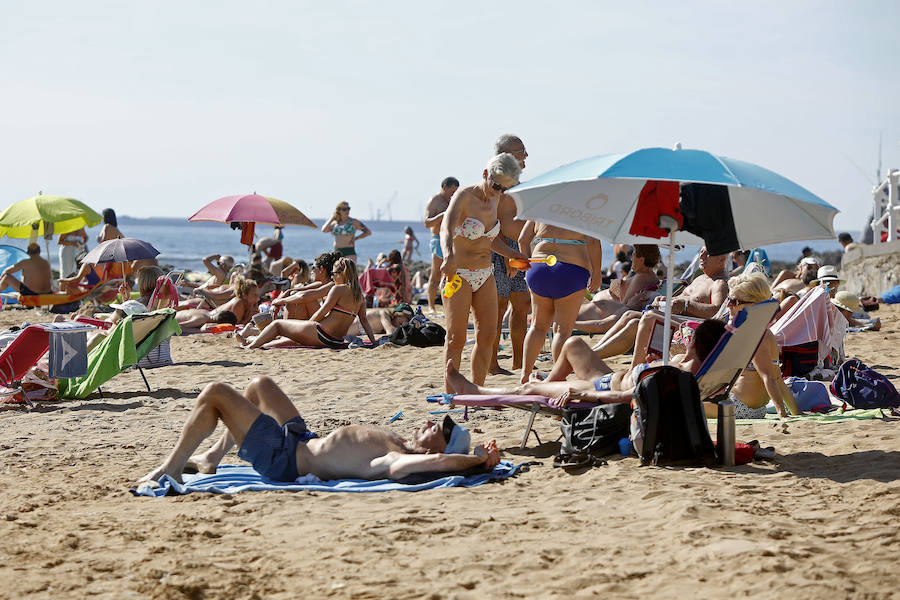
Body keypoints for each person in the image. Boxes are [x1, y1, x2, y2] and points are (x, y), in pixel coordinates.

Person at [137, 375, 499, 486]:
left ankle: (171, 468)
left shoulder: (396, 459)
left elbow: (439, 463)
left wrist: (474, 461)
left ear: (438, 448)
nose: (436, 422)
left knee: (215, 393)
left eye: (444, 429)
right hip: (302, 438)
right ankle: (212, 457)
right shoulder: (398, 440)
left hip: (286, 459)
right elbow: (439, 454)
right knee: (259, 386)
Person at [445, 318, 727, 408]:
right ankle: (546, 385)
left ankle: (473, 393)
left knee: (529, 390)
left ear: (694, 343)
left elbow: (626, 397)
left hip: (602, 388)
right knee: (574, 344)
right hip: (611, 375)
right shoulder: (686, 366)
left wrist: (586, 395)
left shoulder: (677, 374)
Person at [440, 154, 528, 392]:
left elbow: (491, 239)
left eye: (504, 188)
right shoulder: (465, 197)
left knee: (488, 336)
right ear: (485, 174)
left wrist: (511, 253)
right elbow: (445, 227)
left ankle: (476, 393)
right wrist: (447, 255)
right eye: (496, 185)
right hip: (458, 273)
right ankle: (451, 395)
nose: (498, 191)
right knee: (456, 338)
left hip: (484, 272)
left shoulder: (496, 201)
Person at [589, 247, 729, 360]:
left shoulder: (719, 283)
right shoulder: (700, 279)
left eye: (707, 254)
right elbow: (680, 299)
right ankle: (593, 352)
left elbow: (717, 312)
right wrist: (664, 300)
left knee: (637, 321)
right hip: (677, 322)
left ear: (722, 259)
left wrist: (686, 305)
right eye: (701, 252)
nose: (701, 257)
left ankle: (593, 356)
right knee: (630, 315)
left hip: (689, 331)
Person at [700, 273, 799, 418]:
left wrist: (782, 414)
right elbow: (777, 378)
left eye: (733, 301)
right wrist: (797, 412)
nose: (727, 305)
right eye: (728, 300)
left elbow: (769, 378)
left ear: (753, 304)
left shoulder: (754, 334)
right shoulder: (766, 332)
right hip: (756, 409)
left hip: (739, 406)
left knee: (682, 403)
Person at [518, 220, 603, 383]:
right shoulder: (581, 208)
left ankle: (525, 373)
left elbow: (523, 239)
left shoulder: (543, 203)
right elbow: (592, 241)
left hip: (538, 266)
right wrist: (597, 272)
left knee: (537, 326)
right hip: (571, 267)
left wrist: (526, 263)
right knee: (562, 330)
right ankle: (556, 377)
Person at [239, 258, 376, 349]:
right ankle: (251, 340)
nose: (333, 276)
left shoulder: (338, 289)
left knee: (277, 324)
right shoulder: (359, 296)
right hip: (337, 340)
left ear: (343, 273)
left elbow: (322, 312)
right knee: (291, 339)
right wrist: (373, 342)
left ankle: (249, 347)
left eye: (334, 273)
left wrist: (307, 324)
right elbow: (364, 322)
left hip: (322, 333)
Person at [489, 135, 531, 376]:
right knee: (497, 307)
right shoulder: (496, 181)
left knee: (521, 305)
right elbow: (492, 220)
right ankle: (492, 364)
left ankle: (518, 361)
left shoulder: (516, 183)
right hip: (500, 249)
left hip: (517, 248)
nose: (525, 155)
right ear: (504, 153)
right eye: (520, 151)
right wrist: (507, 254)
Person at [575, 244, 661, 334]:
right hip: (597, 309)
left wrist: (616, 287)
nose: (631, 259)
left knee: (568, 313)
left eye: (633, 255)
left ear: (641, 260)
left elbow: (625, 305)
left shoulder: (641, 277)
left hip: (600, 312)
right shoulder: (648, 276)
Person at [424, 176, 460, 313]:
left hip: (452, 239)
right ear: (444, 187)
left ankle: (450, 304)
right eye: (452, 190)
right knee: (436, 274)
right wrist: (443, 215)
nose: (453, 194)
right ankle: (431, 306)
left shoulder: (454, 201)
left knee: (453, 273)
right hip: (438, 239)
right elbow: (427, 223)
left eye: (456, 191)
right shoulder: (435, 200)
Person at [271, 252, 341, 319]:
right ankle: (287, 327)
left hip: (328, 326)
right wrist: (276, 304)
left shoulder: (332, 285)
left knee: (301, 297)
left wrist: (281, 301)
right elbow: (290, 291)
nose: (311, 271)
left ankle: (285, 327)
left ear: (321, 269)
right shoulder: (320, 284)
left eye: (313, 267)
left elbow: (303, 297)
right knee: (294, 294)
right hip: (322, 320)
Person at [176, 277, 260, 328]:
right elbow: (234, 325)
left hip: (206, 314)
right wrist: (250, 316)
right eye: (255, 295)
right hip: (206, 317)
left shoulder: (247, 304)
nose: (258, 298)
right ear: (245, 295)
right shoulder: (239, 303)